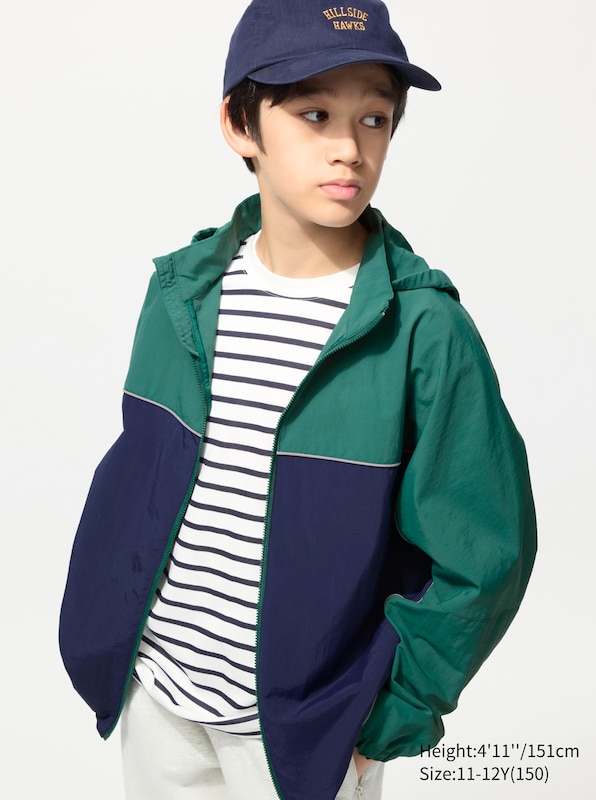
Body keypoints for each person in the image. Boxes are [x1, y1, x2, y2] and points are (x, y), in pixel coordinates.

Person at [59, 2, 537, 799]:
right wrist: (103, 636)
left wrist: (392, 715)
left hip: (306, 732)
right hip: (157, 695)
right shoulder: (183, 293)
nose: (350, 147)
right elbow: (137, 477)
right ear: (239, 124)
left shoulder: (424, 330)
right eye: (315, 114)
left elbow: (486, 555)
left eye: (374, 118)